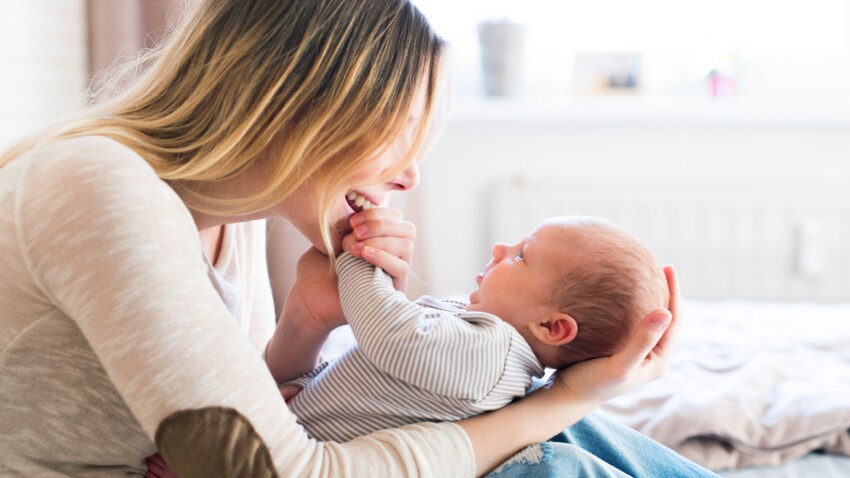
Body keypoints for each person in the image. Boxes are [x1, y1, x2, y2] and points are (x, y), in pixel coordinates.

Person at [0, 0, 710, 476]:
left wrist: (305, 323)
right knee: (537, 454)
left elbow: (239, 410)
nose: (411, 177)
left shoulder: (227, 217)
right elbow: (269, 468)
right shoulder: (99, 186)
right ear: (307, 105)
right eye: (401, 135)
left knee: (553, 440)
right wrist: (563, 399)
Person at [280, 215, 669, 442]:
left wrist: (361, 259)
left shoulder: (492, 357)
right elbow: (372, 374)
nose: (500, 249)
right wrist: (312, 383)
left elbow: (392, 335)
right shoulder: (480, 332)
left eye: (521, 256)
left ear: (551, 326)